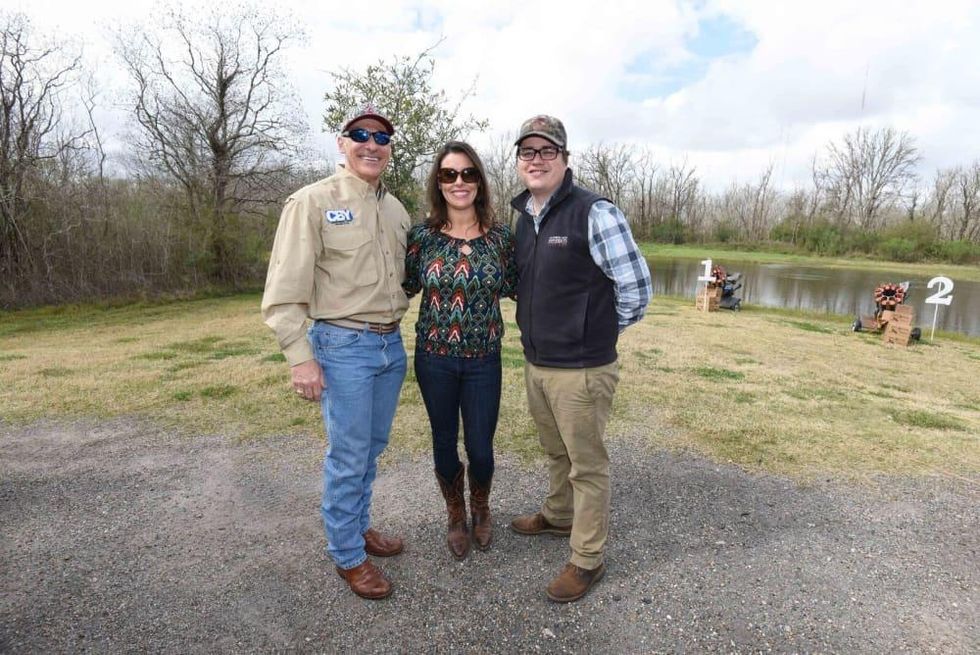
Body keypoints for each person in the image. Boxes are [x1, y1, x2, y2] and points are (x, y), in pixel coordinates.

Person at [261, 106, 411, 600]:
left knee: (372, 447)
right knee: (348, 454)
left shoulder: (396, 209)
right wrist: (299, 356)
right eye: (361, 135)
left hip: (390, 344)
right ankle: (347, 554)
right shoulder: (311, 202)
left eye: (382, 137)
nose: (372, 143)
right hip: (343, 345)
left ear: (389, 148)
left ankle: (359, 528)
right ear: (342, 143)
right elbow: (284, 290)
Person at [508, 115, 652, 603]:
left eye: (547, 151)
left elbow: (637, 287)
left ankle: (587, 558)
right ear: (519, 161)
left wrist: (596, 333)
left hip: (582, 370)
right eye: (528, 152)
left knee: (586, 465)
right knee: (556, 452)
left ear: (565, 159)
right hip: (537, 363)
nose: (537, 159)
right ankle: (558, 514)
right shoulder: (524, 217)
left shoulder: (594, 212)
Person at [403, 141, 517, 560]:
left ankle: (481, 507)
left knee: (482, 447)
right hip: (434, 359)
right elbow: (398, 286)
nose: (459, 182)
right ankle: (455, 514)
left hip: (484, 359)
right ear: (438, 182)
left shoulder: (502, 239)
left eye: (468, 173)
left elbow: (526, 288)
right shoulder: (422, 238)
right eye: (449, 174)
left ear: (480, 181)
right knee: (444, 441)